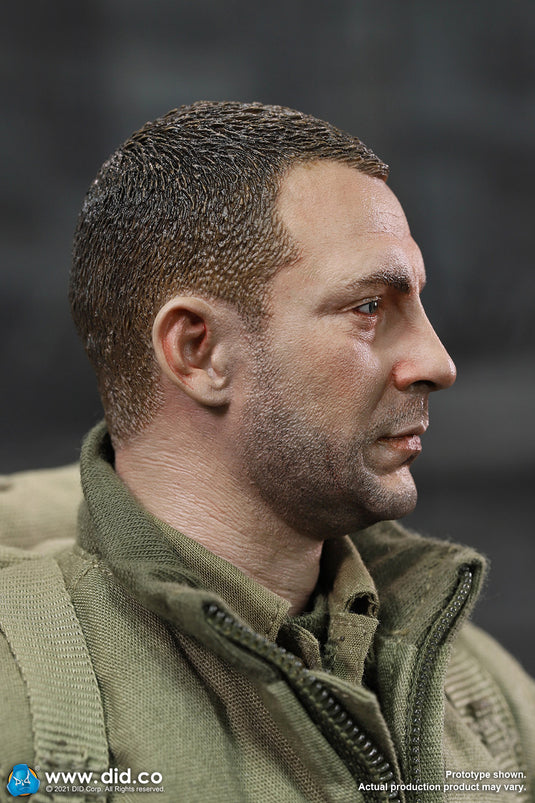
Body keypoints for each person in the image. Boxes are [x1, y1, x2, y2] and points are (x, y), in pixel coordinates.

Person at [1, 101, 533, 802]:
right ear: (199, 351)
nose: (437, 362)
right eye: (369, 307)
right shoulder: (23, 694)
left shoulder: (474, 690)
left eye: (417, 305)